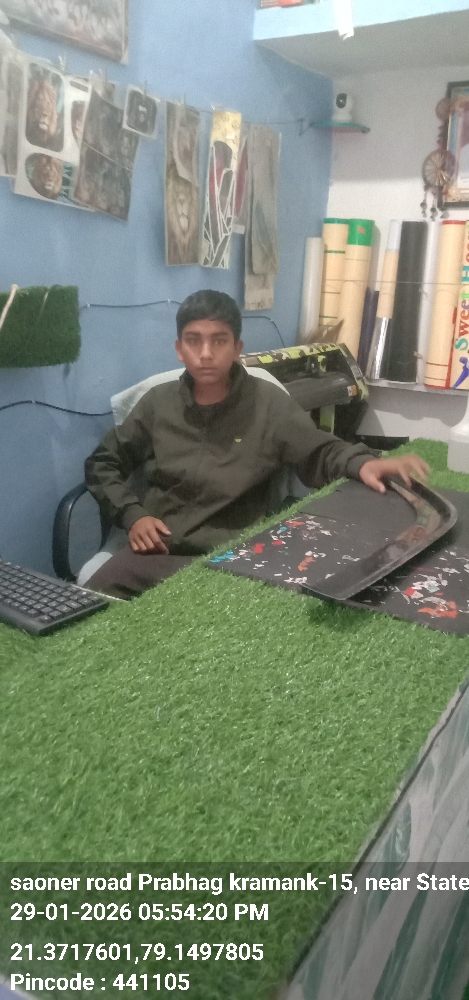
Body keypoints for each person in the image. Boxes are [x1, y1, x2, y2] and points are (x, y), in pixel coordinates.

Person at [85, 290, 429, 599]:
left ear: (237, 349)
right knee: (88, 603)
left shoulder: (267, 404)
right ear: (179, 349)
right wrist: (133, 515)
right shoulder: (157, 403)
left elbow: (320, 450)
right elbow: (102, 463)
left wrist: (365, 463)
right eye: (193, 341)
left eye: (219, 341)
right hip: (159, 552)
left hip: (233, 559)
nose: (205, 353)